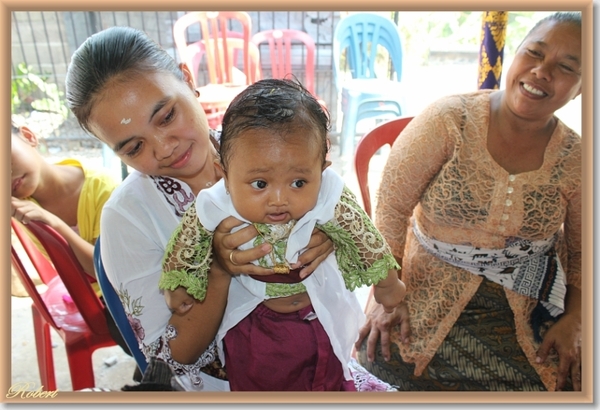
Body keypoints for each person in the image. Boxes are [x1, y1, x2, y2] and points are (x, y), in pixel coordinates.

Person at [64, 26, 337, 392]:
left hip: (328, 362)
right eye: (134, 149)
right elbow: (171, 358)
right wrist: (219, 271)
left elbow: (339, 206)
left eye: (165, 117)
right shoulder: (126, 219)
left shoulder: (268, 150)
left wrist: (331, 237)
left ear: (188, 79)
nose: (163, 148)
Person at [355, 11, 582, 392]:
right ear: (517, 54)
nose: (542, 71)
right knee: (381, 359)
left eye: (566, 66)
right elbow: (391, 210)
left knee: (566, 379)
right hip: (422, 292)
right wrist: (385, 294)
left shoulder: (578, 159)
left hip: (526, 301)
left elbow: (582, 252)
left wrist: (576, 318)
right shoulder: (450, 120)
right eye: (535, 53)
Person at [159, 78, 406, 391]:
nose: (279, 199)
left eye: (298, 183)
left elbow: (363, 235)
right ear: (225, 172)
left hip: (318, 309)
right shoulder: (215, 201)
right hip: (253, 320)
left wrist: (387, 283)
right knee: (258, 383)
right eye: (260, 184)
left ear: (322, 168)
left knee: (328, 375)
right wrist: (178, 283)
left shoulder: (329, 193)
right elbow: (185, 244)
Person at [10, 118, 139, 376]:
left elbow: (105, 272)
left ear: (28, 136)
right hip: (88, 294)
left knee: (136, 323)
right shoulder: (20, 201)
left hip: (120, 287)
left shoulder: (102, 190)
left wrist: (57, 225)